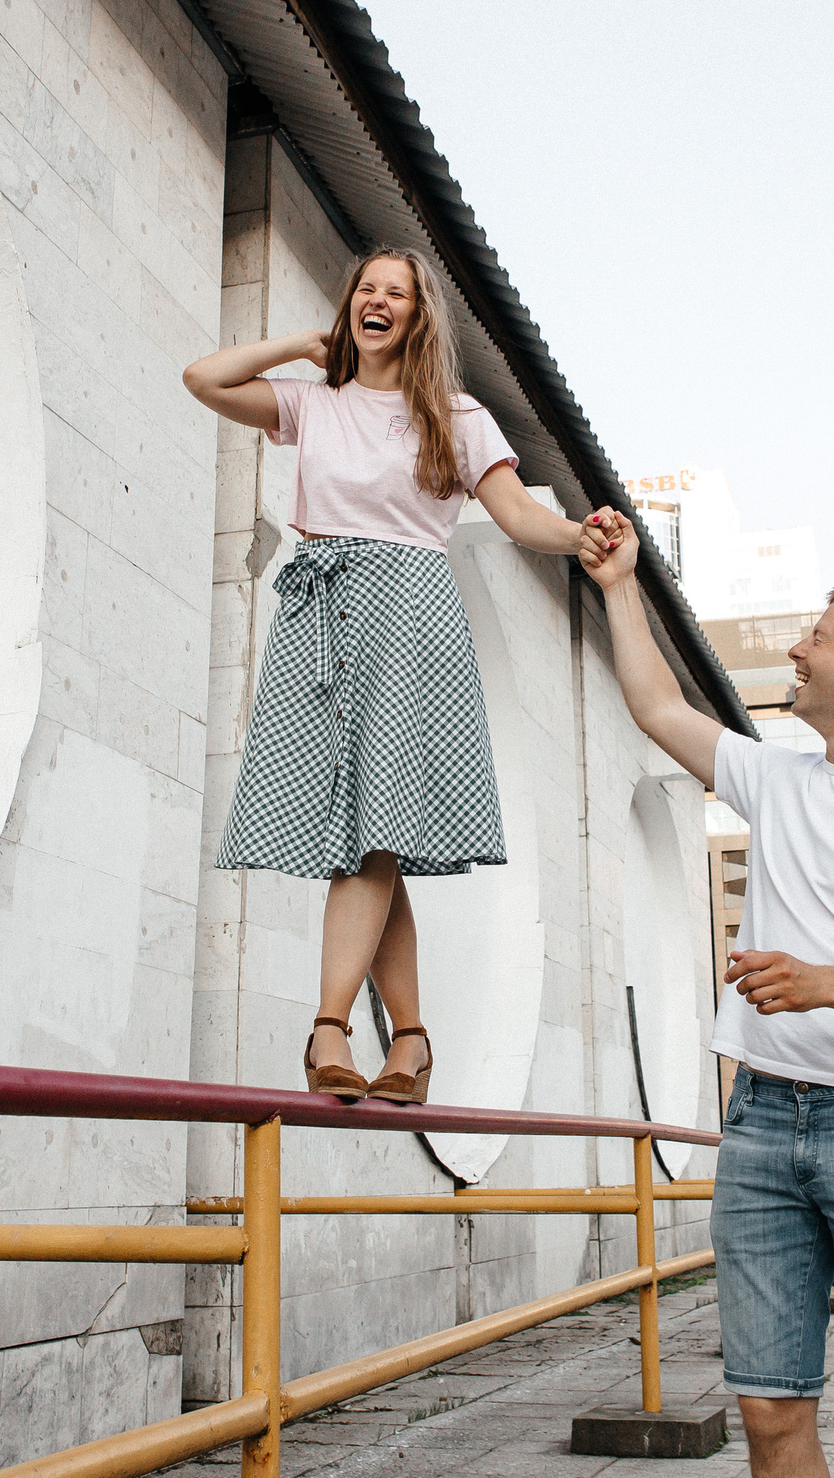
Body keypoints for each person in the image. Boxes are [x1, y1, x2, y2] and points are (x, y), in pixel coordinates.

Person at [577, 508, 834, 1478]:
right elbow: (655, 707)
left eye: (817, 634)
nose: (796, 649)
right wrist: (620, 582)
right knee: (768, 1412)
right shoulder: (776, 776)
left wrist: (820, 983)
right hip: (760, 1125)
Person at [183, 247, 595, 1104]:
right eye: (365, 290)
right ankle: (410, 1039)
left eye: (395, 294)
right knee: (372, 832)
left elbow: (517, 514)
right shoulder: (313, 402)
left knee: (372, 832)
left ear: (418, 316)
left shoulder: (456, 413)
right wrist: (300, 341)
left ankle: (330, 1024)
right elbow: (205, 378)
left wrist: (581, 537)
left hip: (409, 613)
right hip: (320, 611)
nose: (377, 302)